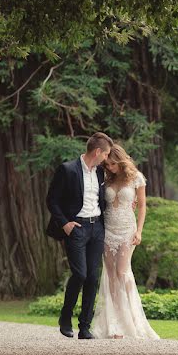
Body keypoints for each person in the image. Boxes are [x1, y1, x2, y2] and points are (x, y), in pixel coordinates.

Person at [45, 132, 113, 339]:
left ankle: (85, 327)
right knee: (80, 274)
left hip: (97, 229)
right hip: (77, 228)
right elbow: (52, 200)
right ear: (97, 151)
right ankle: (65, 317)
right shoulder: (67, 170)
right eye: (106, 154)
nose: (107, 159)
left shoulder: (101, 172)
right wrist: (65, 224)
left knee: (92, 278)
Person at [92, 144, 160, 340]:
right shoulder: (106, 178)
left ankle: (132, 320)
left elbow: (142, 207)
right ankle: (114, 323)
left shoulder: (137, 177)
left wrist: (139, 231)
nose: (110, 167)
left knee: (123, 272)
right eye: (107, 164)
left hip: (127, 230)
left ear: (120, 161)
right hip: (108, 230)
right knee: (111, 274)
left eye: (112, 164)